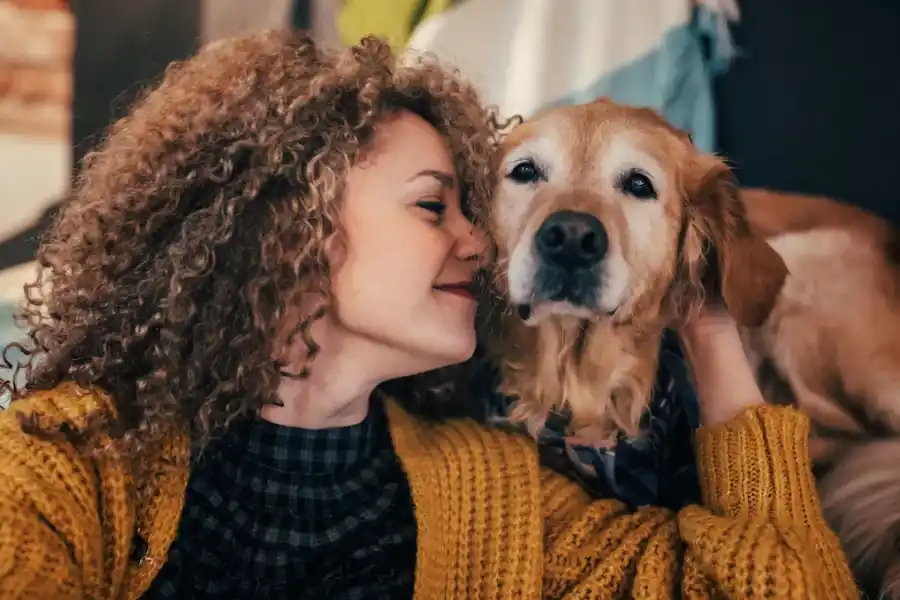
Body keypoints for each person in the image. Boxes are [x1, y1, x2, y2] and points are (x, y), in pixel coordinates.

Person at [0, 31, 858, 600]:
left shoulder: (500, 496)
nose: (483, 242)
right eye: (433, 206)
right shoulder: (73, 461)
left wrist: (708, 325)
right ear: (287, 233)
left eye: (470, 206)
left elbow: (787, 586)